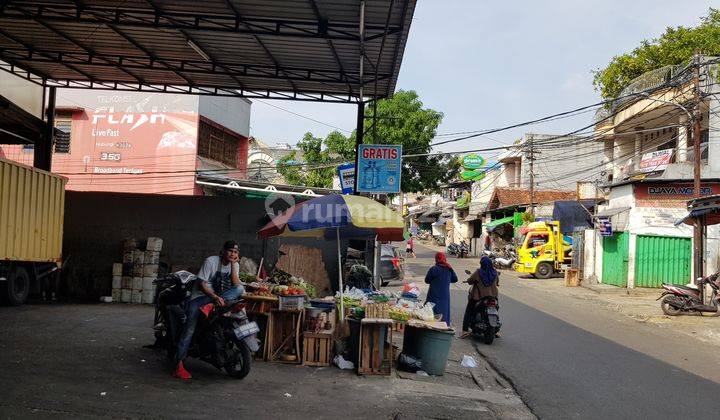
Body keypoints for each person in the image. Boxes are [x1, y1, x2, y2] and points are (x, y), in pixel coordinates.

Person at [172, 240, 245, 379]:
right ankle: (178, 365)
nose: (232, 254)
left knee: (240, 289)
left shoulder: (234, 265)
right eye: (230, 251)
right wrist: (214, 296)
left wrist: (233, 265)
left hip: (216, 300)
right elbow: (201, 284)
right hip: (200, 298)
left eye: (235, 252)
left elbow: (236, 285)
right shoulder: (211, 261)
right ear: (222, 251)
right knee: (189, 330)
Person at [461, 255, 499, 339]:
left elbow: (470, 281)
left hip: (479, 297)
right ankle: (496, 329)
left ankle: (465, 330)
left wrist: (468, 281)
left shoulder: (479, 272)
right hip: (492, 297)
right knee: (496, 309)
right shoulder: (494, 272)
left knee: (469, 311)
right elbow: (497, 282)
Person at [424, 252, 458, 326]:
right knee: (444, 313)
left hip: (433, 295)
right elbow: (455, 279)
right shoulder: (449, 269)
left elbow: (427, 280)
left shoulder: (433, 269)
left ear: (436, 259)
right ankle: (443, 327)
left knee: (432, 312)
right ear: (444, 259)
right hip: (445, 296)